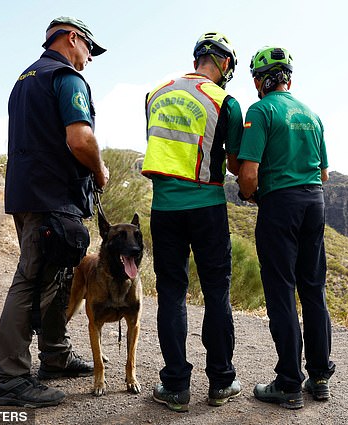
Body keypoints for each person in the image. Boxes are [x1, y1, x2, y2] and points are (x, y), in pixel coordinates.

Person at [0, 17, 109, 408]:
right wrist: (100, 168)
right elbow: (80, 138)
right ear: (72, 39)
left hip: (27, 193)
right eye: (89, 49)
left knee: (54, 275)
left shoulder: (25, 80)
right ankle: (10, 379)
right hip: (50, 197)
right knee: (31, 278)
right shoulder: (67, 77)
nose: (89, 58)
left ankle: (55, 355)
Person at [142, 31, 243, 413]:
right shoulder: (226, 101)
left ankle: (175, 387)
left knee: (171, 294)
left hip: (164, 209)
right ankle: (221, 381)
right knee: (216, 292)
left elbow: (161, 149)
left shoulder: (156, 93)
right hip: (208, 207)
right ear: (224, 63)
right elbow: (233, 164)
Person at [237, 46, 336, 409]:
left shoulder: (261, 111)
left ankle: (289, 383)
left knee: (282, 292)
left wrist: (253, 195)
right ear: (289, 79)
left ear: (260, 82)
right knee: (313, 289)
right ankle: (320, 377)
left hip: (281, 203)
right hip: (315, 202)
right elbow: (324, 173)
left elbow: (248, 174)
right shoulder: (312, 115)